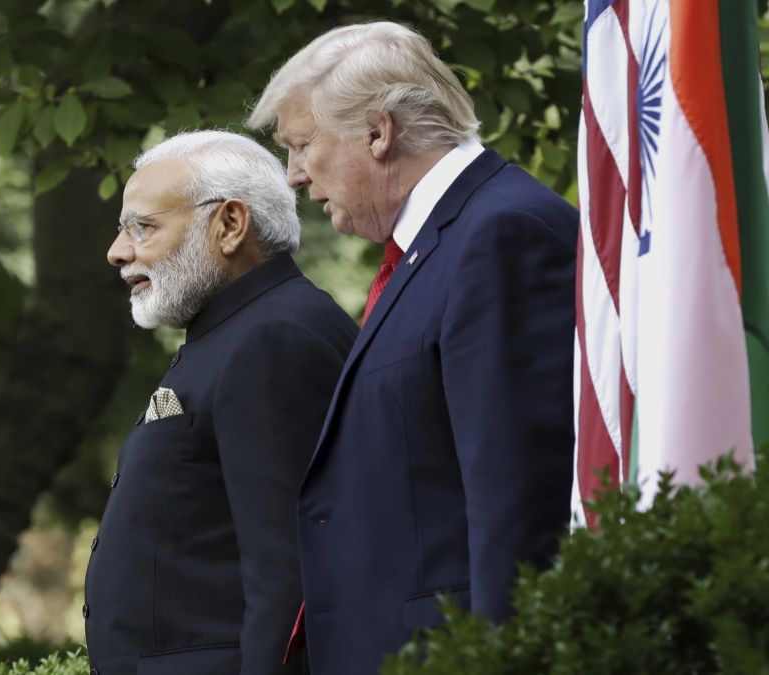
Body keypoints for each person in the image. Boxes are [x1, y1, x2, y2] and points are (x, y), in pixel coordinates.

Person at [247, 22, 579, 674]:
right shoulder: (442, 241)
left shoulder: (501, 232)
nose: (292, 176)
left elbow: (517, 496)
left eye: (302, 144)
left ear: (377, 131)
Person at [84, 131, 358, 675]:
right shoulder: (243, 330)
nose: (118, 251)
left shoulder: (274, 336)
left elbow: (291, 580)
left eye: (143, 226)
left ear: (230, 225)